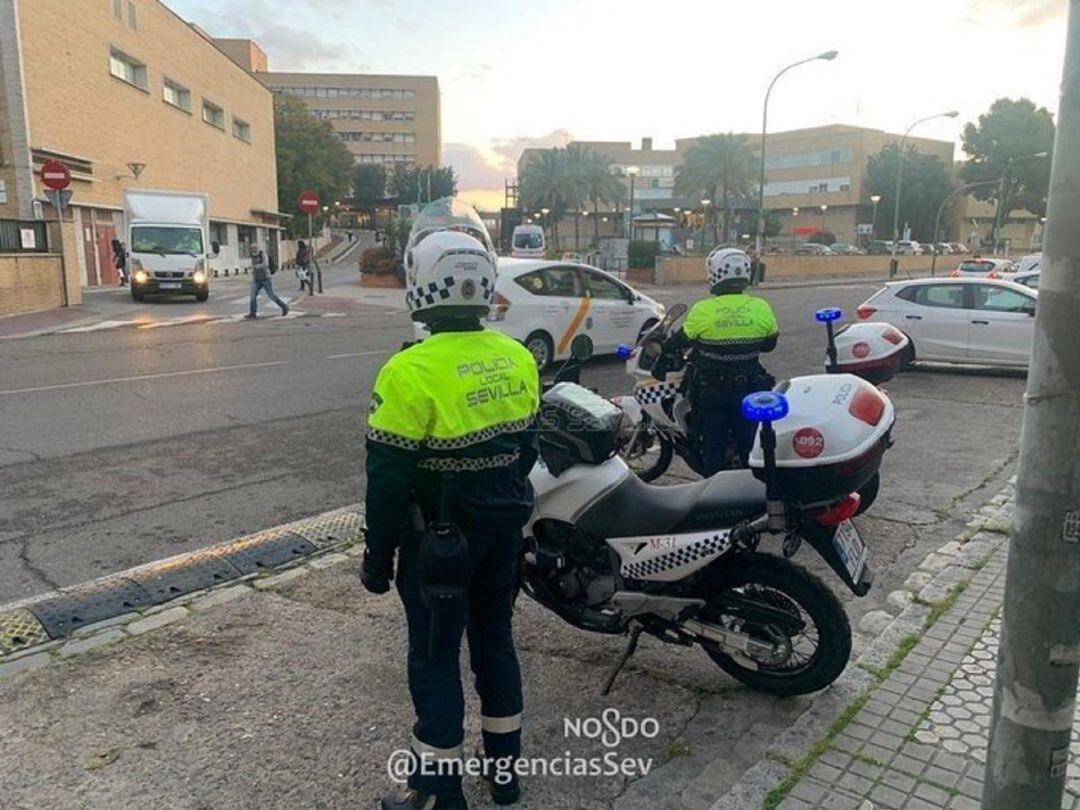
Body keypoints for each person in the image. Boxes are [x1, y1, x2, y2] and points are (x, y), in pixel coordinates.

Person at [361, 204, 539, 810]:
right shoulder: (518, 356)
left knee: (435, 659)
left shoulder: (408, 370)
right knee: (495, 642)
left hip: (437, 544)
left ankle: (438, 793)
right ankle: (505, 775)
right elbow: (527, 451)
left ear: (421, 285)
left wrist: (378, 558)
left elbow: (386, 482)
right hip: (502, 533)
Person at [656, 246, 778, 474]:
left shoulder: (703, 310)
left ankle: (713, 490)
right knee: (749, 449)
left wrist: (665, 349)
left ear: (714, 273)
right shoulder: (761, 307)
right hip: (750, 389)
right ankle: (752, 489)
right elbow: (769, 345)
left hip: (712, 391)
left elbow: (679, 341)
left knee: (713, 450)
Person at [245, 245, 289, 319]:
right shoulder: (253, 257)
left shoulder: (263, 255)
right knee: (253, 296)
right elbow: (254, 266)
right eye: (251, 249)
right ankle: (253, 313)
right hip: (256, 279)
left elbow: (265, 264)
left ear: (257, 249)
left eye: (254, 249)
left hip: (266, 278)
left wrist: (255, 267)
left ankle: (284, 307)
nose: (253, 250)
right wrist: (253, 272)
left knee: (271, 295)